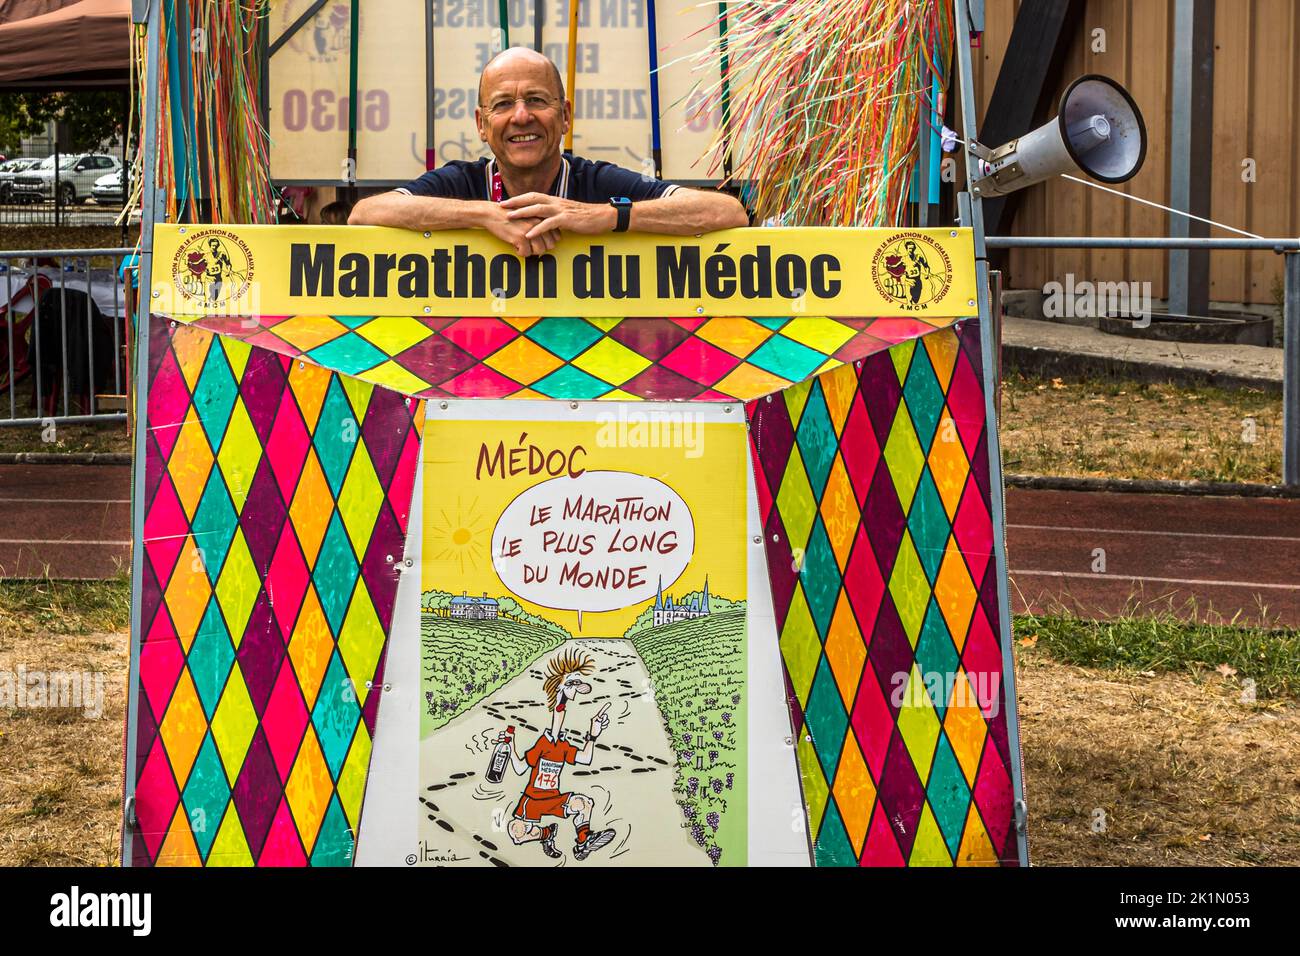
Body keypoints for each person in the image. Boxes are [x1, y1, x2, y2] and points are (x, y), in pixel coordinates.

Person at [348, 47, 748, 256]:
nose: (521, 117)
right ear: (482, 125)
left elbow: (726, 212)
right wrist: (485, 214)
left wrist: (603, 216)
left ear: (565, 115)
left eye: (537, 100)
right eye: (503, 104)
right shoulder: (463, 182)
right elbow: (364, 215)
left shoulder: (596, 181)